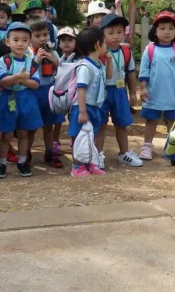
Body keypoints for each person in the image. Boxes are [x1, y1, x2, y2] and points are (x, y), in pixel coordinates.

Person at [139, 9, 175, 160]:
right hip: (153, 93)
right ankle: (147, 146)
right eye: (162, 28)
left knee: (172, 122)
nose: (166, 32)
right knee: (151, 120)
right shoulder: (150, 50)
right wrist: (142, 88)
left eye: (171, 28)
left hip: (173, 94)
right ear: (155, 31)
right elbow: (144, 72)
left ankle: (172, 147)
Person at [0, 21, 42, 179]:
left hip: (26, 99)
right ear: (7, 42)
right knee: (6, 135)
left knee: (24, 133)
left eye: (24, 40)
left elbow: (35, 84)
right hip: (8, 98)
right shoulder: (4, 61)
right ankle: (1, 162)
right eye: (15, 40)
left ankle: (22, 161)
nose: (20, 43)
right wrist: (18, 77)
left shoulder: (31, 62)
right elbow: (2, 81)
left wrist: (19, 80)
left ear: (29, 42)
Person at [98, 13, 141, 166]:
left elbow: (130, 73)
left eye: (119, 32)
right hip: (101, 92)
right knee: (101, 124)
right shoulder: (98, 52)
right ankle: (98, 154)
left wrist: (133, 92)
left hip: (120, 91)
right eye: (110, 33)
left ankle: (124, 153)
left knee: (122, 124)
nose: (115, 36)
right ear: (102, 34)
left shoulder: (126, 52)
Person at [68, 27, 107, 178]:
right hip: (82, 107)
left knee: (91, 136)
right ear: (98, 44)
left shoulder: (99, 64)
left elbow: (108, 76)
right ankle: (77, 166)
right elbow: (81, 90)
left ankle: (89, 163)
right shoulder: (85, 66)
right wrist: (83, 112)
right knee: (79, 136)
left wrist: (109, 61)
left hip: (94, 107)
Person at [26, 20, 61, 168]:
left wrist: (54, 59)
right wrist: (36, 60)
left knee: (49, 125)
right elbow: (27, 73)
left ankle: (49, 152)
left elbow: (63, 70)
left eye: (45, 34)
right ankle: (25, 153)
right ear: (29, 38)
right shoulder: (27, 53)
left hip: (50, 90)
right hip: (34, 92)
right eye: (38, 35)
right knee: (31, 126)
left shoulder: (52, 51)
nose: (42, 39)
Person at [53, 26, 78, 155]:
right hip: (61, 95)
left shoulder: (80, 59)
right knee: (58, 119)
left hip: (75, 96)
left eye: (70, 39)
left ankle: (74, 142)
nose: (66, 42)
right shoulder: (59, 58)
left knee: (74, 119)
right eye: (63, 40)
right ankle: (55, 141)